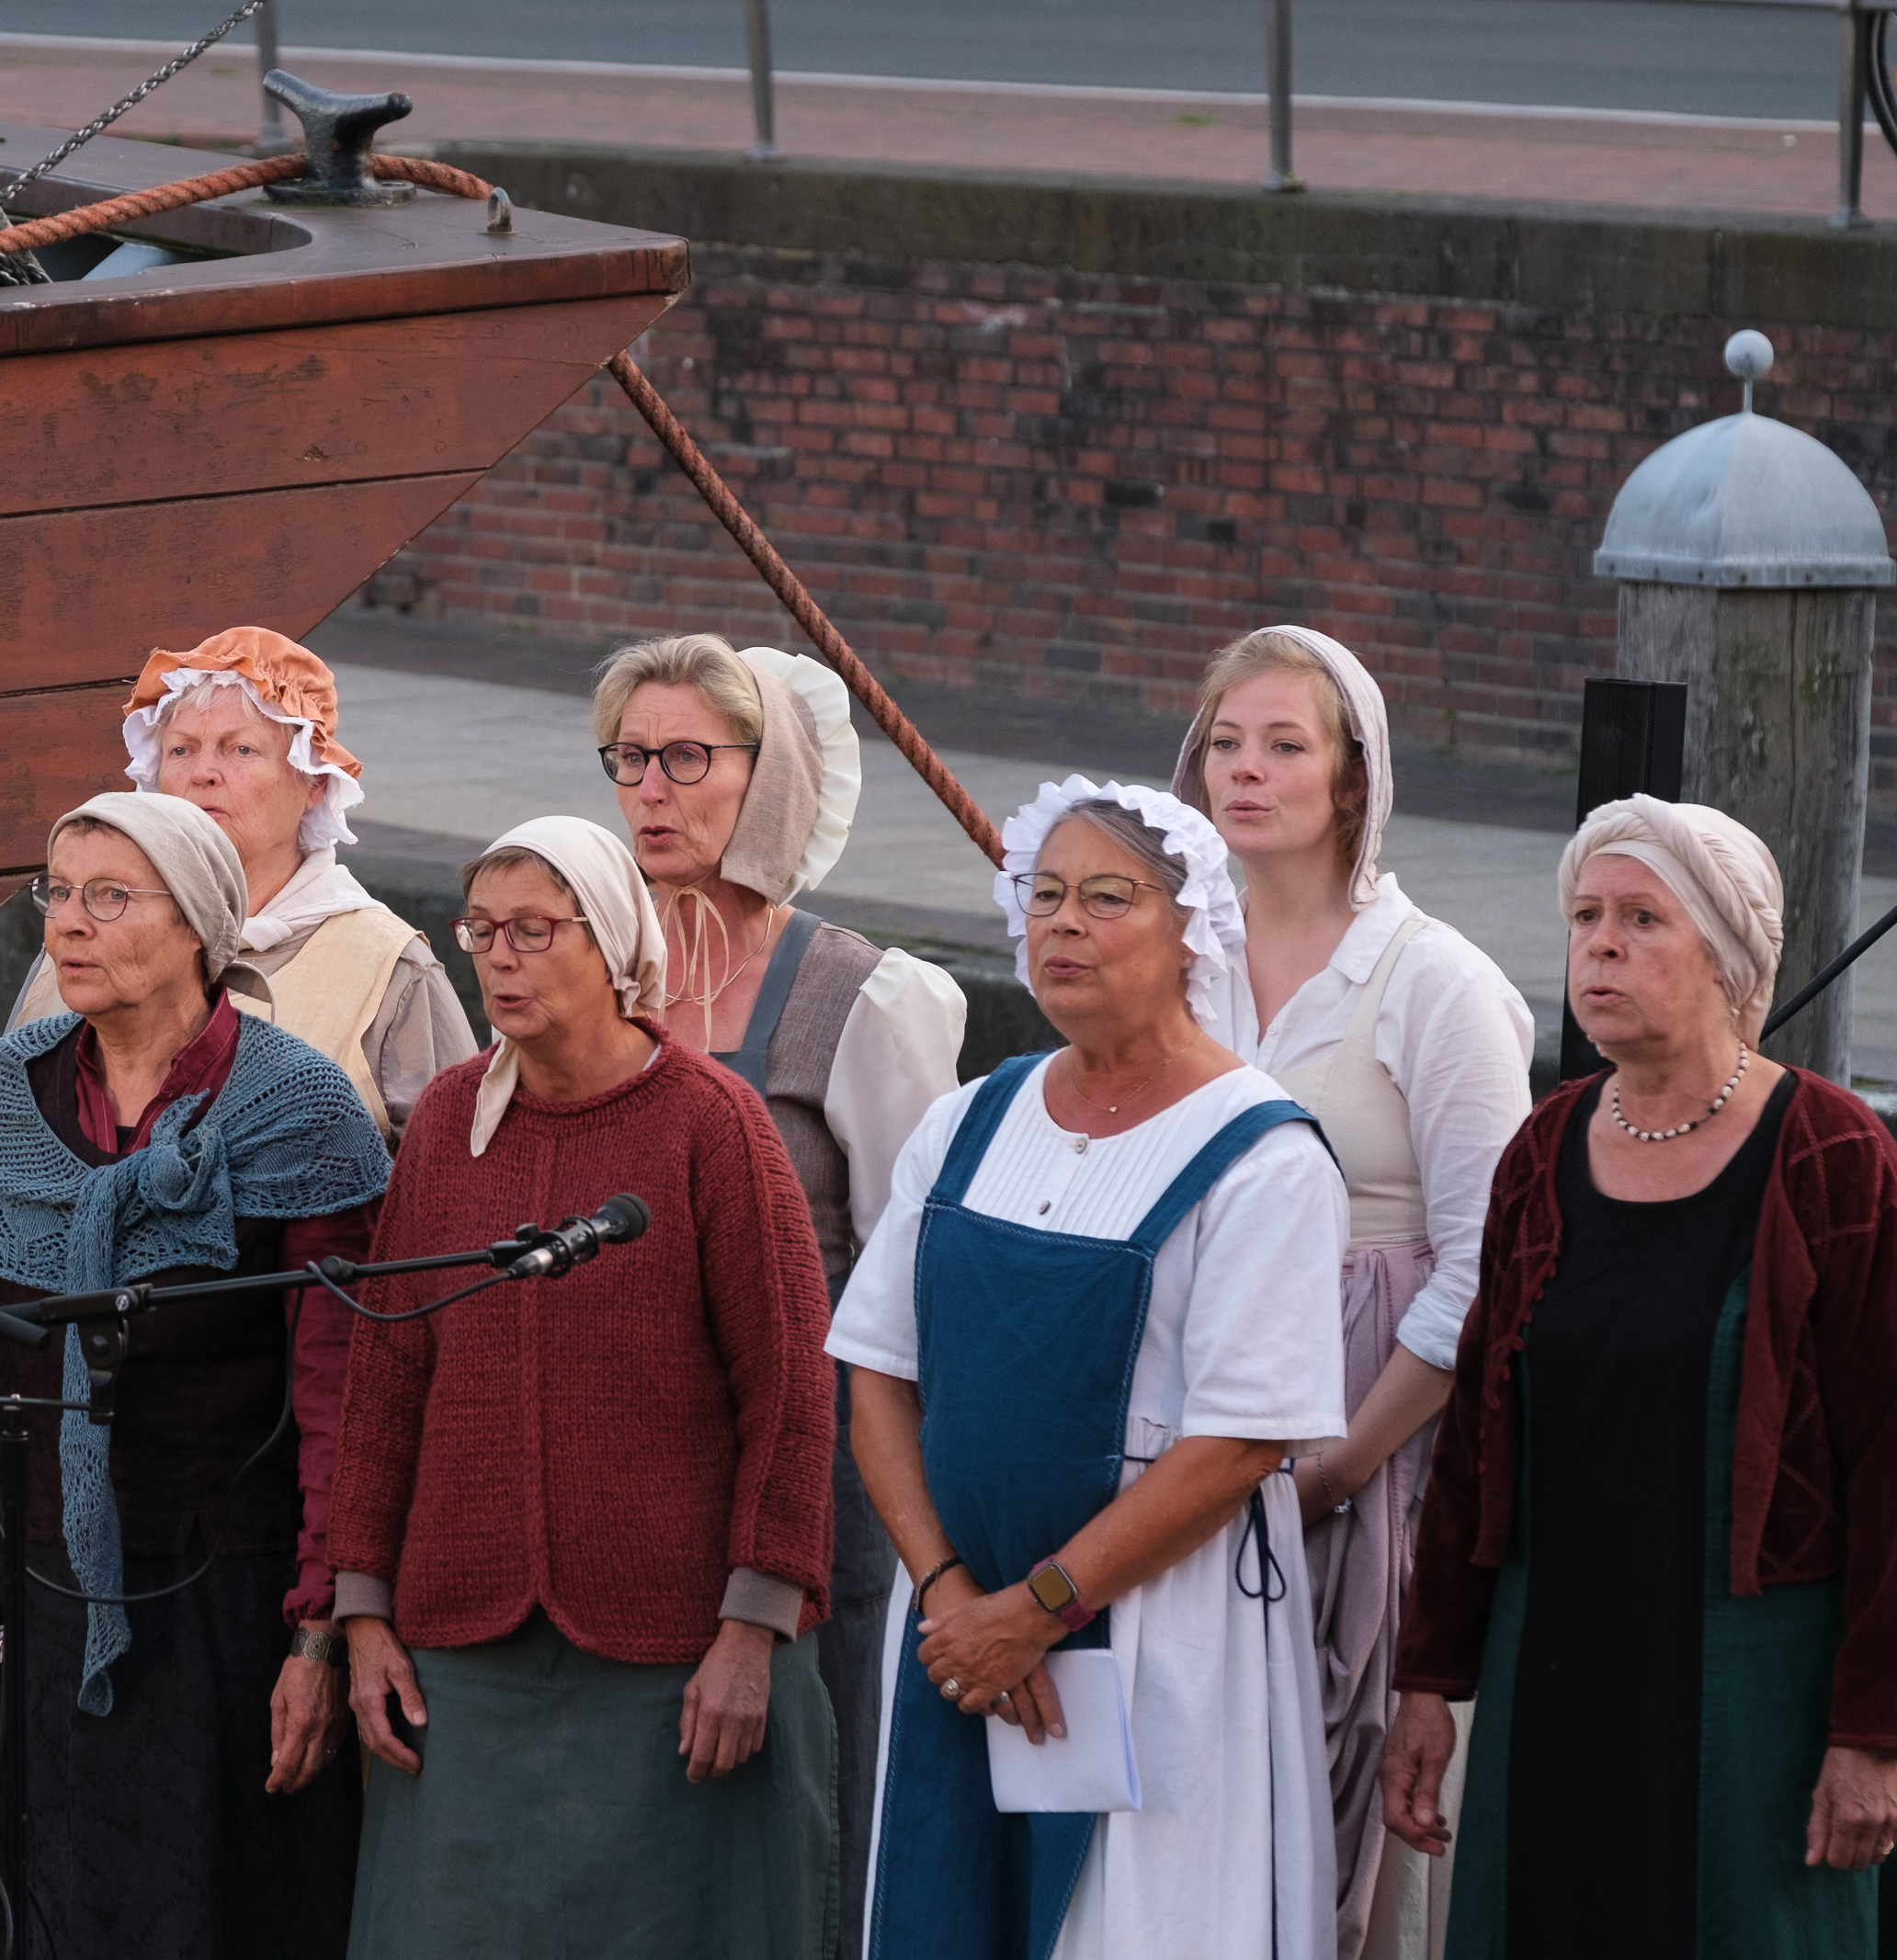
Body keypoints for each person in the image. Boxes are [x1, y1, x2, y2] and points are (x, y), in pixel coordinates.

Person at [1384, 795, 1897, 1960]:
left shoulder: (1833, 1157)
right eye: (1584, 917)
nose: (1599, 944)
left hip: (1753, 1682)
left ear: (1725, 958)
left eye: (1641, 919)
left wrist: (1871, 1735)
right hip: (1551, 1661)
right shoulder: (1541, 1150)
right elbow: (1477, 1438)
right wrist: (1428, 1681)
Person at [0, 790, 395, 1959]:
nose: (67, 924)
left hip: (227, 1599)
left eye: (108, 898)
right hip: (41, 1582)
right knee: (47, 1907)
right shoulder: (14, 1092)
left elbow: (342, 1400)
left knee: (218, 1910)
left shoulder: (297, 1111)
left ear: (197, 923)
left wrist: (319, 1634)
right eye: (57, 894)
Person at [835, 776, 1347, 1960]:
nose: (1061, 922)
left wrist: (1038, 1611)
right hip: (957, 1633)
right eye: (1044, 894)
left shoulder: (1260, 1157)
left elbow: (1239, 1442)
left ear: (1190, 934)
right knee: (944, 1905)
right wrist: (953, 1599)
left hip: (1155, 1634)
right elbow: (876, 1374)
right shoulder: (968, 1121)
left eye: (1106, 898)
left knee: (1131, 1924)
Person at [330, 814, 841, 1959]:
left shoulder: (712, 1123)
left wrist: (752, 1626)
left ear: (610, 945)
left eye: (532, 930)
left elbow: (790, 1393)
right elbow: (386, 1377)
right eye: (480, 932)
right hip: (459, 1657)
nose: (497, 958)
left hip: (673, 1652)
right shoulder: (447, 1121)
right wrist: (360, 1612)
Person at [592, 630, 965, 1954]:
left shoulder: (862, 998)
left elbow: (915, 1286)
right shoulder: (590, 974)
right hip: (627, 1467)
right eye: (629, 758)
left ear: (771, 781)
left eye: (687, 758)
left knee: (810, 1806)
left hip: (813, 1475)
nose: (650, 788)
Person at [1171, 626, 1534, 1960]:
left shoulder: (1437, 984)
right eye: (1226, 741)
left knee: (1350, 1779)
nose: (1246, 768)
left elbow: (1488, 1265)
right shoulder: (1180, 958)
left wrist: (1336, 1465)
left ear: (1352, 778)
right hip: (1192, 1430)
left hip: (1370, 1442)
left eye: (1285, 744)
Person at [6, 627, 475, 1142]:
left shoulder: (388, 970)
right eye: (181, 750)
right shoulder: (87, 932)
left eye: (241, 750)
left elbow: (448, 1172)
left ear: (314, 783)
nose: (203, 773)